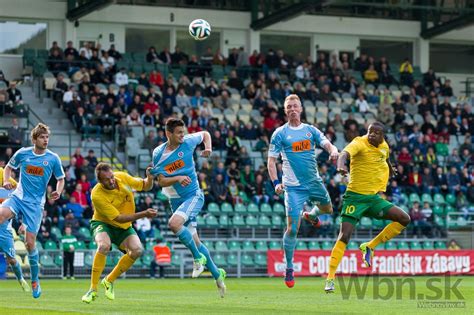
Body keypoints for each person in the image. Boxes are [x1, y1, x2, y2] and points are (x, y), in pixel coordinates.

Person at [325, 122, 411, 293]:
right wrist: (341, 166)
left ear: (382, 136)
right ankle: (330, 278)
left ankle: (370, 246)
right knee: (345, 235)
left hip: (373, 199)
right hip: (355, 198)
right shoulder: (359, 142)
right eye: (370, 132)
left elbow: (385, 157)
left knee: (404, 219)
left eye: (376, 133)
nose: (371, 135)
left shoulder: (384, 146)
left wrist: (390, 168)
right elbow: (344, 154)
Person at [267, 94, 339, 288]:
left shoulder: (310, 130)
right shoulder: (280, 134)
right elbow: (271, 161)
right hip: (293, 188)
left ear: (300, 109)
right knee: (292, 228)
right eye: (289, 106)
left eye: (295, 106)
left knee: (328, 209)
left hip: (313, 183)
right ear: (285, 111)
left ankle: (312, 214)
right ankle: (289, 267)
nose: (292, 109)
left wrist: (332, 150)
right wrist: (275, 183)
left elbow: (326, 142)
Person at [151, 118, 226, 297]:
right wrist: (176, 179)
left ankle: (197, 259)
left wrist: (208, 148)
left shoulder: (188, 142)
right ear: (168, 134)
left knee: (174, 224)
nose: (182, 136)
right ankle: (218, 275)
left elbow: (205, 134)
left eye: (183, 132)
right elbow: (160, 180)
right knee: (197, 242)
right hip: (175, 199)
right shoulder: (158, 153)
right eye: (178, 133)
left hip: (193, 196)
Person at [0, 123, 64, 298]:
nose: (45, 140)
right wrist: (7, 180)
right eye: (42, 137)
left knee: (30, 244)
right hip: (18, 197)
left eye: (47, 137)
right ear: (34, 139)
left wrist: (58, 190)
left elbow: (60, 179)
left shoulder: (53, 158)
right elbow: (8, 168)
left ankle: (35, 280)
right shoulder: (23, 153)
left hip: (35, 205)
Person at [81, 163, 156, 303]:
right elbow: (118, 218)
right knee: (104, 246)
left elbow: (145, 185)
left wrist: (149, 178)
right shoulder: (97, 195)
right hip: (103, 223)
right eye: (106, 179)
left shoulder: (121, 177)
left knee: (137, 250)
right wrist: (144, 214)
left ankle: (109, 280)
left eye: (111, 176)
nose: (111, 181)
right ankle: (92, 289)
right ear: (100, 181)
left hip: (124, 227)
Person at [0, 166, 30, 292]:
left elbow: (24, 203)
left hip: (5, 230)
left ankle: (21, 279)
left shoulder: (11, 192)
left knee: (12, 259)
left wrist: (25, 223)